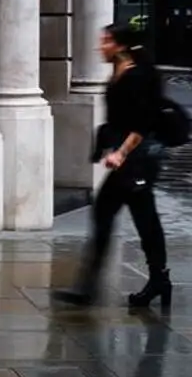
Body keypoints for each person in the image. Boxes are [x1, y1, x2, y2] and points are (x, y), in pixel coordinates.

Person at [53, 22, 170, 308]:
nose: (100, 46)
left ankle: (152, 280)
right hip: (127, 163)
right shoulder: (120, 73)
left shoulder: (138, 76)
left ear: (120, 46)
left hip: (137, 162)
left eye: (106, 41)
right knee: (121, 218)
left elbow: (142, 122)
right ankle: (95, 286)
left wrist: (121, 153)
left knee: (139, 221)